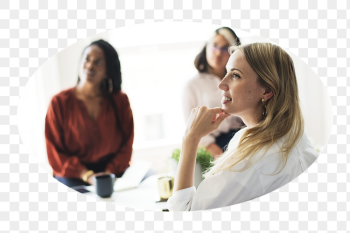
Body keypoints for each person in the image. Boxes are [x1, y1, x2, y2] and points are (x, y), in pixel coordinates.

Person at [168, 42, 319, 211]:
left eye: (236, 76)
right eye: (226, 73)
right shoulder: (293, 135)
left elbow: (183, 213)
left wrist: (190, 138)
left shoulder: (252, 162)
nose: (221, 84)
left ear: (267, 90)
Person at [45, 39, 134, 188]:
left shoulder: (120, 101)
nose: (90, 66)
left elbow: (126, 145)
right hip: (73, 175)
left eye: (98, 62)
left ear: (108, 70)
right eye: (87, 59)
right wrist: (88, 176)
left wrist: (108, 174)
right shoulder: (59, 103)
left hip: (113, 172)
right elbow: (55, 152)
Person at [182, 27, 244, 158]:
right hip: (212, 145)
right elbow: (190, 126)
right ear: (206, 47)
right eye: (214, 46)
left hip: (242, 138)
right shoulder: (193, 85)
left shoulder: (242, 79)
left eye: (224, 48)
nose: (218, 53)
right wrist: (215, 152)